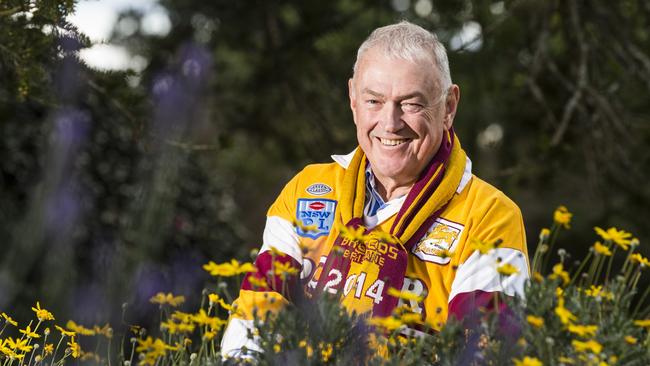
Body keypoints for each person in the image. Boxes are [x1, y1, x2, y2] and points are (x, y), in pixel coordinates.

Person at [221, 20, 529, 356]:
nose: (390, 122)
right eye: (374, 101)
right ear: (353, 98)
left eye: (411, 103)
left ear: (449, 106)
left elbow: (483, 354)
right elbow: (253, 325)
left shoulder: (491, 216)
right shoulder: (307, 190)